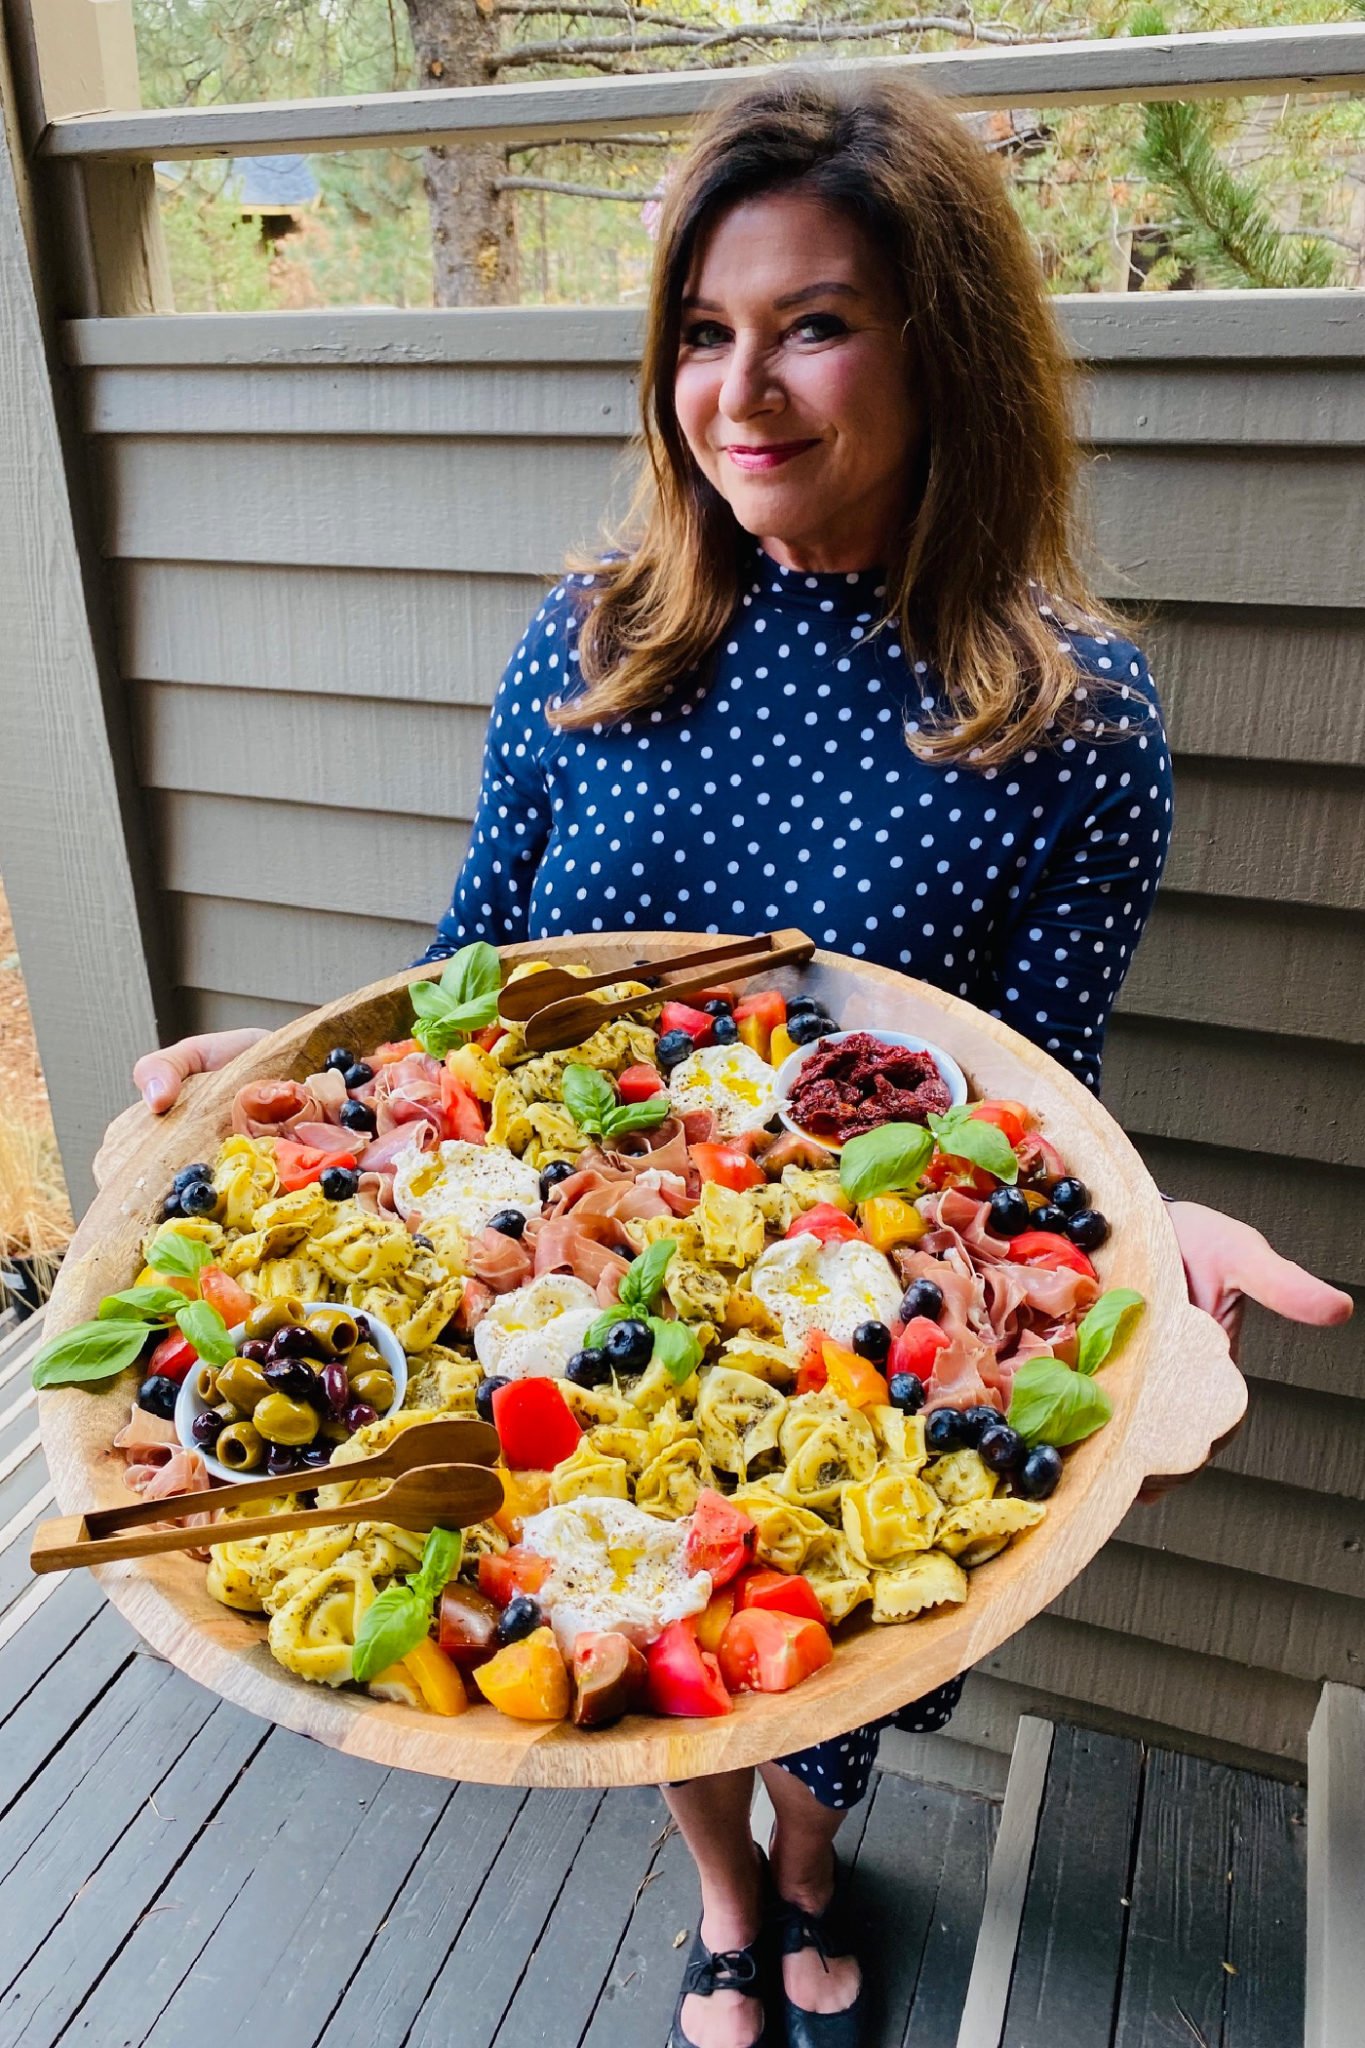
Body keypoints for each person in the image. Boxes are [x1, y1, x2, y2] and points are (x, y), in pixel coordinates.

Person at [131, 72, 1351, 2048]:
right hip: (561, 1287)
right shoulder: (592, 638)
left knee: (838, 1622)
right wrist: (285, 1074)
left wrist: (1122, 1230)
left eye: (812, 322)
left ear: (938, 344)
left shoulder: (1066, 715)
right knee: (625, 1602)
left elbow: (1029, 1090)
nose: (741, 390)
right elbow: (465, 984)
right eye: (701, 333)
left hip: (851, 1313)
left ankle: (806, 1850)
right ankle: (721, 1883)